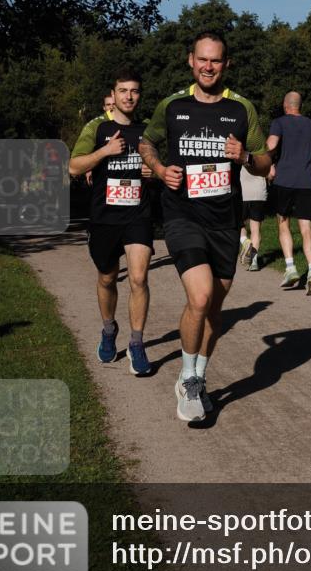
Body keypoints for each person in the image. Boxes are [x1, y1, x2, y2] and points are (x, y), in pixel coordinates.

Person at [139, 31, 272, 422]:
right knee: (200, 297)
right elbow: (147, 142)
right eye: (202, 59)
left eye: (216, 60)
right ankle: (186, 378)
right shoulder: (173, 105)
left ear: (225, 64)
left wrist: (245, 155)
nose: (208, 66)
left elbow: (264, 163)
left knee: (214, 308)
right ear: (190, 60)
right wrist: (161, 170)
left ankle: (198, 375)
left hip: (225, 222)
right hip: (183, 215)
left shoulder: (241, 108)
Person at [69, 68, 154, 377]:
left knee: (139, 278)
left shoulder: (149, 130)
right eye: (123, 91)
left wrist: (153, 171)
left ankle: (136, 342)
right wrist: (104, 151)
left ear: (138, 95)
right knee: (107, 278)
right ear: (114, 95)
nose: (129, 96)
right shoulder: (98, 129)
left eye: (134, 91)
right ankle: (108, 330)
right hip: (105, 216)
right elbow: (74, 167)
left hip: (138, 215)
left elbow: (166, 167)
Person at [266, 91, 311, 294]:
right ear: (299, 106)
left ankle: (291, 268)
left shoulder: (279, 123)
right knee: (306, 228)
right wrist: (309, 159)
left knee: (283, 223)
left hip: (283, 181)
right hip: (306, 183)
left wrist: (266, 162)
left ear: (285, 105)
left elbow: (272, 145)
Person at [239, 165, 268, 271]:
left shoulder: (238, 151)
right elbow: (271, 173)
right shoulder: (262, 152)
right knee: (255, 229)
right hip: (259, 193)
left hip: (242, 193)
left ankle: (245, 242)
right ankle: (254, 261)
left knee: (239, 225)